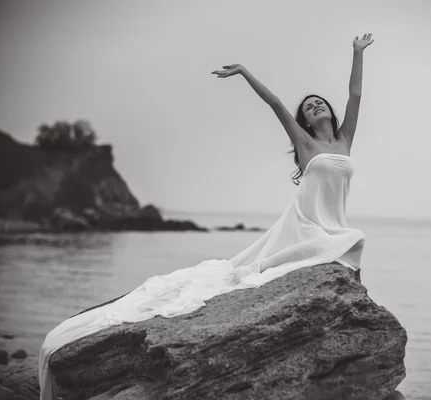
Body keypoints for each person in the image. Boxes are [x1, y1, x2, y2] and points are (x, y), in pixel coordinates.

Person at [39, 33, 374, 400]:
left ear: (329, 111)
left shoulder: (344, 141)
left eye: (318, 102)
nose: (314, 106)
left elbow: (355, 95)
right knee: (288, 260)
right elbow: (276, 103)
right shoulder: (305, 144)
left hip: (332, 225)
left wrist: (356, 53)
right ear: (305, 123)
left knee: (345, 239)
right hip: (307, 225)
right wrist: (245, 72)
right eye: (308, 106)